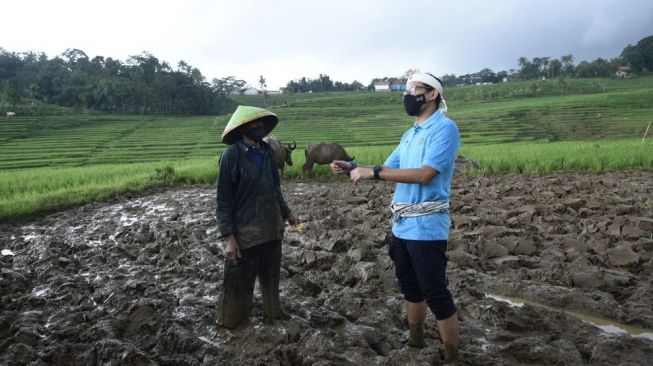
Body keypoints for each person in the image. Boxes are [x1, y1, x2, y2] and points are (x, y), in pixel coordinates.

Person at [331, 72, 461, 363]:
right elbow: (388, 168)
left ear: (432, 95)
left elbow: (425, 175)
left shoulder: (444, 129)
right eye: (406, 90)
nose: (407, 95)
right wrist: (352, 166)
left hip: (427, 228)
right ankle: (415, 341)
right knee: (411, 289)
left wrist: (373, 172)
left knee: (435, 293)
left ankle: (452, 357)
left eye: (413, 89)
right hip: (402, 226)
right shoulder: (410, 134)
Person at [216, 105, 300, 329]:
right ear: (243, 128)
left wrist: (288, 213)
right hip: (246, 233)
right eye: (254, 124)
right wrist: (229, 237)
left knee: (271, 277)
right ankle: (232, 321)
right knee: (239, 281)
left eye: (261, 124)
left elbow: (275, 189)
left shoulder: (268, 153)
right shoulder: (230, 157)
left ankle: (273, 313)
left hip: (272, 228)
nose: (259, 127)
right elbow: (223, 200)